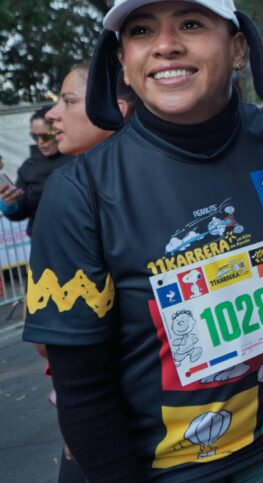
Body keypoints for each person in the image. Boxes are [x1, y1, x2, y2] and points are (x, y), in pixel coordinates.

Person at [22, 0, 263, 481]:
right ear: (124, 60)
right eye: (141, 31)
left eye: (190, 23)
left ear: (239, 48)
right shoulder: (80, 192)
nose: (165, 45)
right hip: (160, 470)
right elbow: (82, 393)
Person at [37, 60, 135, 483]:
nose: (52, 114)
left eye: (69, 100)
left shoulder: (116, 195)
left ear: (114, 109)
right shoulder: (70, 191)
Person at [0, 109, 72, 235]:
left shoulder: (79, 157)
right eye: (34, 137)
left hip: (81, 238)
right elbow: (21, 211)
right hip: (44, 240)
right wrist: (9, 205)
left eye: (45, 136)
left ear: (58, 130)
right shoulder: (28, 167)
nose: (40, 142)